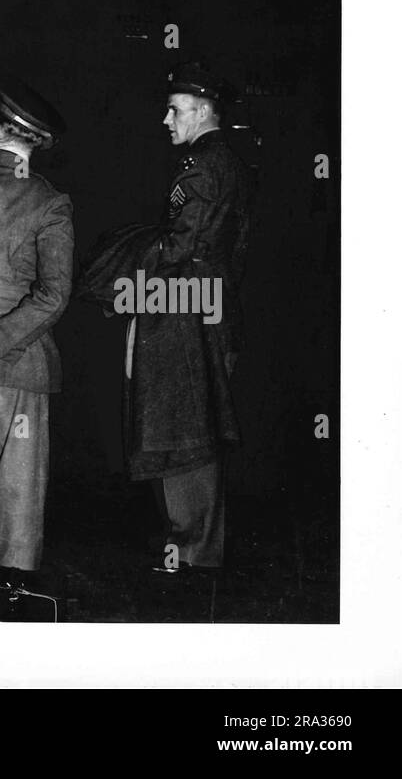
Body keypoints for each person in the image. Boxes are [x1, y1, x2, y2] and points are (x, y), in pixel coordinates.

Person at [119, 62, 255, 574]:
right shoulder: (225, 161)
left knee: (185, 427)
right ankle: (194, 548)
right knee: (195, 423)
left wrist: (128, 266)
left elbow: (183, 245)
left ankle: (192, 553)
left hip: (187, 309)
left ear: (201, 111)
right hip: (209, 306)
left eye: (175, 110)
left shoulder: (204, 167)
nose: (166, 120)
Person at [0, 76, 74, 610]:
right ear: (32, 142)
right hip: (18, 363)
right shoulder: (49, 203)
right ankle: (8, 594)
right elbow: (53, 296)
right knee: (16, 487)